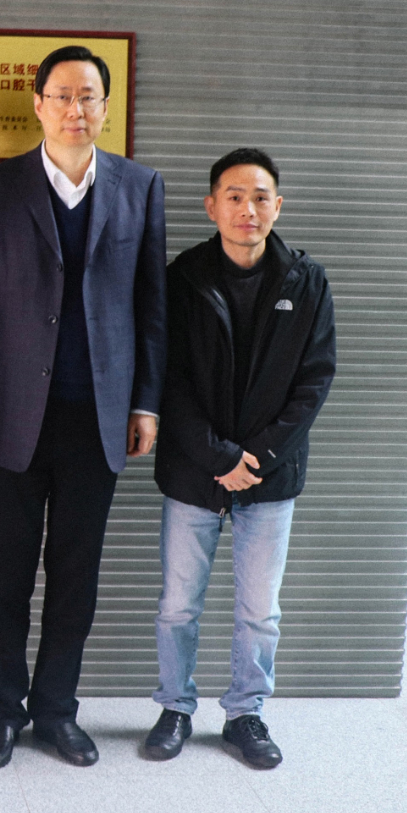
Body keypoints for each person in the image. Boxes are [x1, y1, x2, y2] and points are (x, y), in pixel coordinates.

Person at [0, 45, 166, 768]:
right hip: (11, 417)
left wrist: (146, 402)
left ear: (107, 107)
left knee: (76, 578)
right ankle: (3, 714)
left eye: (89, 97)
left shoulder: (140, 187)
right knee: (7, 577)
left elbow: (152, 307)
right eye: (63, 96)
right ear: (38, 104)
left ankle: (56, 711)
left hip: (97, 418)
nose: (77, 109)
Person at [142, 147, 335, 769]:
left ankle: (245, 714)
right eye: (234, 196)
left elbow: (314, 379)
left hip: (271, 476)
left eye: (259, 197)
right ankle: (175, 708)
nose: (247, 209)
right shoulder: (182, 277)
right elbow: (166, 377)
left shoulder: (307, 280)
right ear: (211, 206)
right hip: (194, 472)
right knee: (178, 605)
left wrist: (260, 456)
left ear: (278, 206)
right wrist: (218, 456)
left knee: (260, 611)